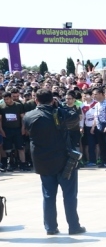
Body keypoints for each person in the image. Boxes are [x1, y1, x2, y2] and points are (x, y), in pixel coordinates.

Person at [23, 89, 86, 236]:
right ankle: (73, 226)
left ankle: (50, 227)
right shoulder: (60, 113)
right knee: (69, 194)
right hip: (64, 160)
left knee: (48, 195)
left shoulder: (29, 116)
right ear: (52, 100)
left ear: (36, 100)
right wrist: (59, 106)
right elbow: (74, 116)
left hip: (42, 161)